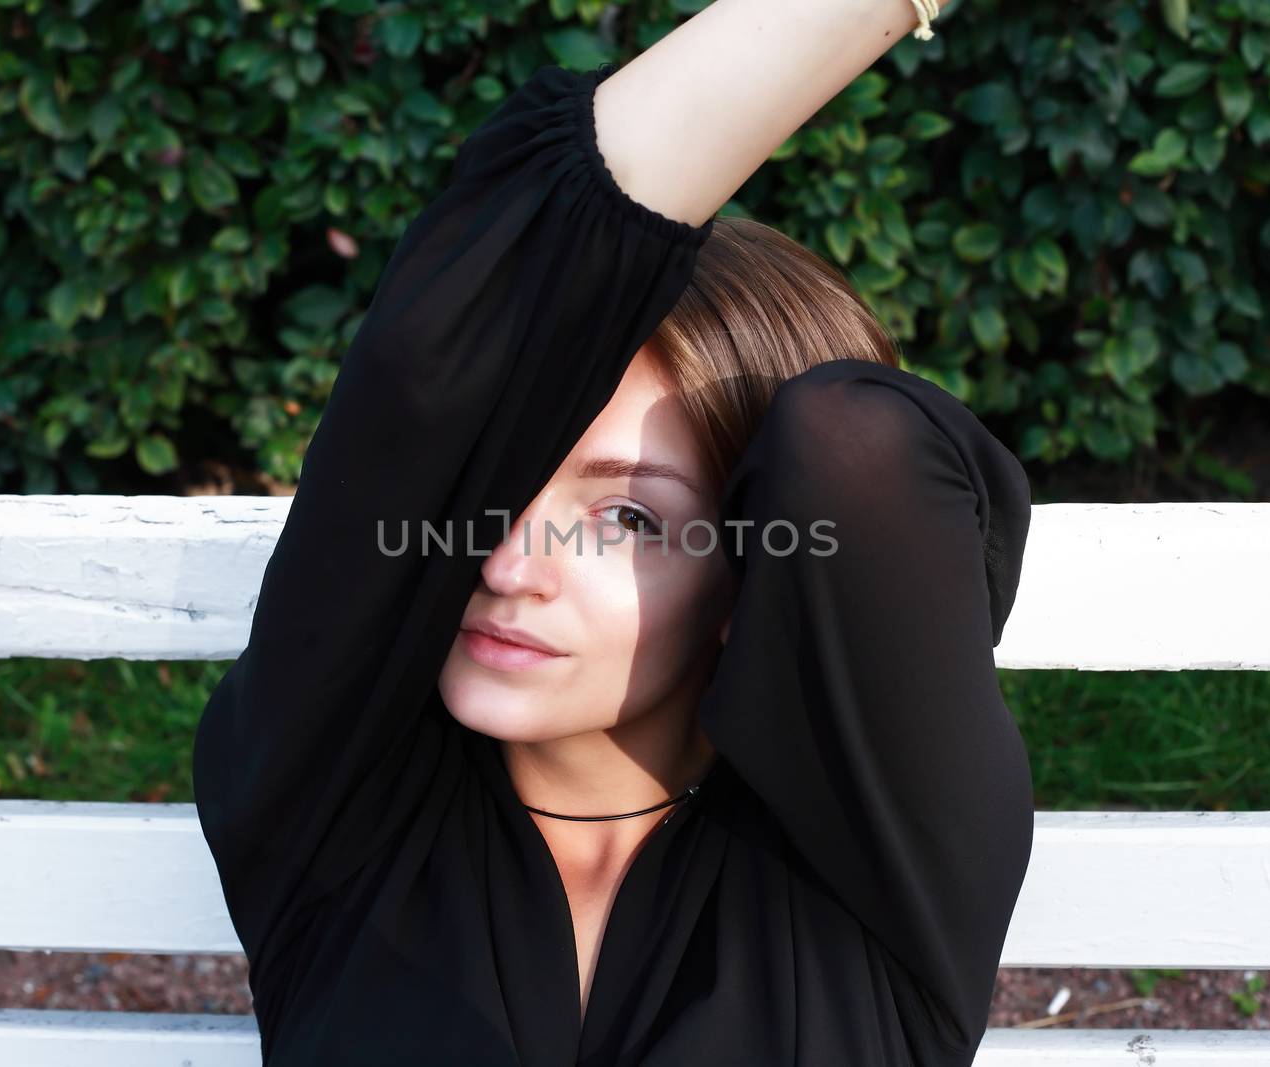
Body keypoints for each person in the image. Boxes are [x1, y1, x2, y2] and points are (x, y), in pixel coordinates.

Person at [192, 0, 1035, 1063]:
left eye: (627, 515)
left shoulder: (875, 881)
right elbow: (428, 361)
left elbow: (856, 449)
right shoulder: (330, 804)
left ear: (757, 574)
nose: (504, 564)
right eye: (498, 490)